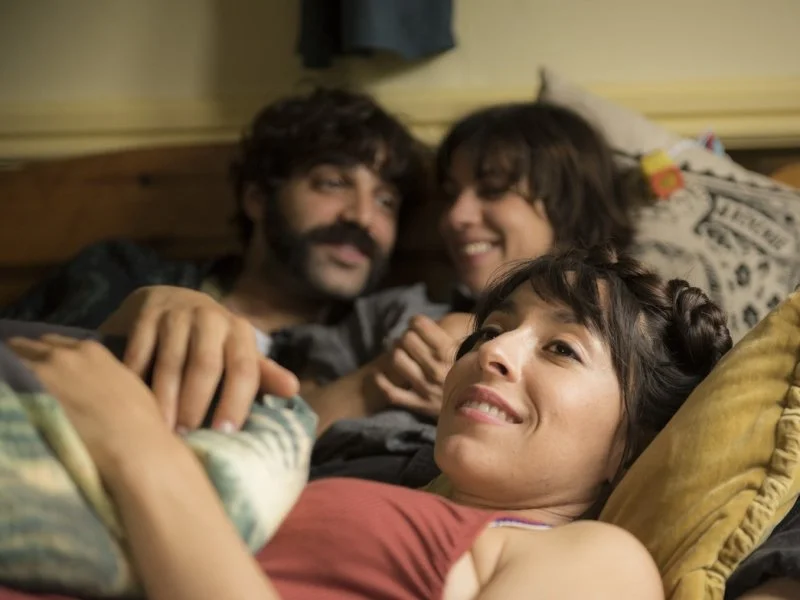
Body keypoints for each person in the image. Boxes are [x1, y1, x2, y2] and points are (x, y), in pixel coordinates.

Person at [4, 245, 735, 600]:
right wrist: (149, 321)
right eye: (491, 330)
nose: (491, 353)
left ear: (631, 444)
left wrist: (139, 454)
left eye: (562, 348)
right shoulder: (349, 470)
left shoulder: (602, 563)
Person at [100, 101, 647, 435]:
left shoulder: (634, 331)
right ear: (257, 198)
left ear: (570, 207)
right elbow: (273, 426)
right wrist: (386, 373)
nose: (455, 218)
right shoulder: (399, 316)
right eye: (451, 194)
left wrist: (472, 396)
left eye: (493, 191)